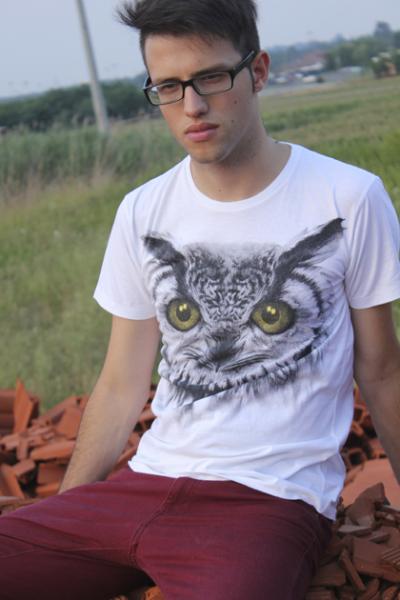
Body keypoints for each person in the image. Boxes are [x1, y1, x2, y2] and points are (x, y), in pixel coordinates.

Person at [1, 1, 400, 598]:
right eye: (168, 86)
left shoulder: (347, 197)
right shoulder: (143, 210)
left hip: (266, 503)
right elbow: (121, 382)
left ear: (258, 71)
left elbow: (383, 369)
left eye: (210, 77)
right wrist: (70, 519)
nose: (191, 106)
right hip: (143, 484)